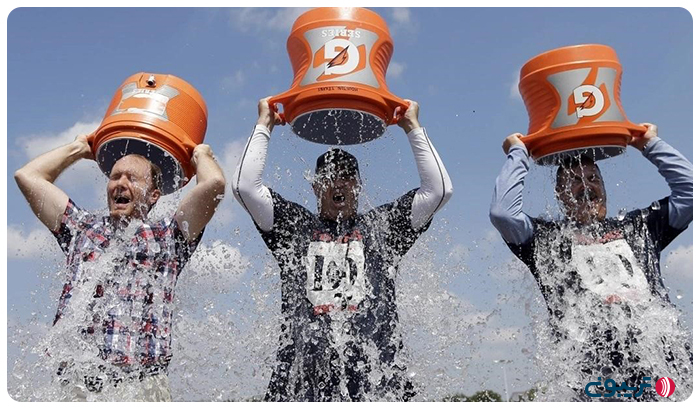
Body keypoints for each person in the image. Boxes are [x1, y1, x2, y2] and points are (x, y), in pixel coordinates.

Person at [232, 97, 453, 401]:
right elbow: (245, 188)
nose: (339, 184)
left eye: (348, 178)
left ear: (359, 185)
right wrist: (264, 125)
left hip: (376, 384)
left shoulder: (382, 228)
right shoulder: (295, 227)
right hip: (302, 385)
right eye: (329, 178)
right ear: (315, 187)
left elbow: (439, 191)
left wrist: (412, 127)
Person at [14, 135, 226, 401]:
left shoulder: (169, 238)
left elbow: (214, 184)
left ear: (154, 195)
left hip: (142, 386)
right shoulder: (82, 229)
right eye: (115, 177)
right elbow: (27, 176)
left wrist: (199, 154)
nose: (120, 184)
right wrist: (79, 148)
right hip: (78, 385)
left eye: (132, 179)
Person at [489, 123, 693, 401]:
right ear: (560, 196)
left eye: (593, 178)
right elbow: (504, 215)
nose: (586, 185)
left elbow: (691, 194)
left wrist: (649, 143)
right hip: (592, 376)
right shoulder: (546, 239)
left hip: (659, 362)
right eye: (573, 180)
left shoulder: (640, 226)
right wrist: (519, 153)